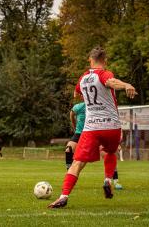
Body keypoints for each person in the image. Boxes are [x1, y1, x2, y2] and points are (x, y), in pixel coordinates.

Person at [48, 46, 136, 208]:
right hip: (111, 126)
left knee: (77, 163)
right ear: (105, 60)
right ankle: (108, 179)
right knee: (110, 151)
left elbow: (76, 93)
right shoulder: (105, 73)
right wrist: (126, 85)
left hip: (91, 128)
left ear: (90, 59)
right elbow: (111, 82)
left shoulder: (82, 78)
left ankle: (63, 196)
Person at [66, 101, 123, 189]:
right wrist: (74, 126)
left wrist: (116, 141)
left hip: (94, 132)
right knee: (69, 149)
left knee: (108, 154)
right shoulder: (79, 107)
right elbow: (71, 114)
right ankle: (69, 172)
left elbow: (113, 121)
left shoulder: (100, 106)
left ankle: (114, 181)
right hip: (80, 133)